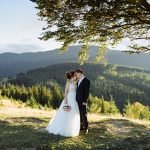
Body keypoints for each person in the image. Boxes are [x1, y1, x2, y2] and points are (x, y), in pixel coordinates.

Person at [45, 71, 80, 137]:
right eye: (74, 76)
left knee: (73, 113)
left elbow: (78, 81)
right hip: (69, 98)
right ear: (72, 76)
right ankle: (64, 128)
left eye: (75, 76)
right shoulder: (68, 83)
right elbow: (66, 92)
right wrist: (66, 100)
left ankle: (72, 128)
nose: (75, 77)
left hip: (74, 99)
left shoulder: (75, 82)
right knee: (66, 112)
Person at [75, 69, 90, 134]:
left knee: (84, 114)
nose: (76, 76)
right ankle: (81, 127)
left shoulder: (87, 81)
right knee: (79, 114)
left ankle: (86, 128)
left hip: (83, 101)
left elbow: (87, 92)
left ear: (80, 73)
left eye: (77, 74)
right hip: (77, 100)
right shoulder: (78, 81)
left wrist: (85, 101)